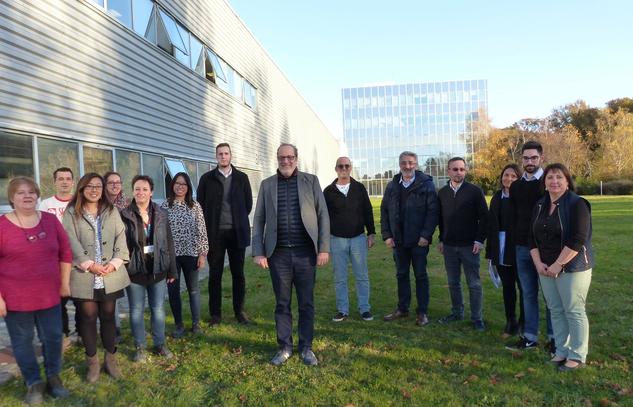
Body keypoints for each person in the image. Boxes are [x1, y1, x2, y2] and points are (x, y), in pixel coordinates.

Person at [252, 143, 330, 366]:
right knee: (282, 303)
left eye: (289, 157)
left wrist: (323, 248)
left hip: (306, 254)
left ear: (296, 158)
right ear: (277, 159)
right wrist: (259, 251)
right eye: (281, 157)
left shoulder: (311, 181)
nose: (285, 161)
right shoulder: (267, 185)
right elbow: (258, 220)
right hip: (279, 256)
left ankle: (306, 348)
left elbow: (323, 215)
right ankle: (285, 346)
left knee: (306, 303)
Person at [0, 177, 71, 405]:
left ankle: (53, 377)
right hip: (15, 301)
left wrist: (65, 283)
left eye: (31, 191)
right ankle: (33, 382)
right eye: (20, 192)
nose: (27, 196)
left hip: (49, 296)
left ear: (37, 195)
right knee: (22, 342)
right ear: (12, 198)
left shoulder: (50, 221)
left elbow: (66, 253)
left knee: (52, 339)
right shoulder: (1, 226)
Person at [62, 173, 130, 382]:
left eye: (98, 186)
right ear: (82, 189)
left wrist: (115, 263)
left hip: (109, 274)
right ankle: (92, 362)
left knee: (109, 317)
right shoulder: (72, 212)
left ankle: (111, 359)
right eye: (90, 186)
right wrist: (89, 264)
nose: (94, 190)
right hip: (84, 275)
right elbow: (69, 240)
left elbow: (121, 237)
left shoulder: (111, 211)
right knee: (88, 317)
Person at [529, 163, 593, 372]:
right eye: (550, 178)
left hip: (573, 267)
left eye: (559, 177)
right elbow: (531, 238)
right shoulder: (539, 205)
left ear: (567, 181)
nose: (554, 181)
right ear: (544, 182)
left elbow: (578, 239)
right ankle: (562, 351)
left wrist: (558, 265)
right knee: (555, 310)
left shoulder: (577, 204)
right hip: (545, 267)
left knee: (573, 310)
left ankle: (577, 354)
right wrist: (539, 264)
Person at [120, 175, 177, 362]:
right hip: (135, 272)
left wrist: (172, 270)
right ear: (133, 191)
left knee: (158, 309)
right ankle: (140, 347)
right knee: (136, 310)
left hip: (158, 271)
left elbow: (169, 243)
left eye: (145, 189)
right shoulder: (124, 215)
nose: (141, 192)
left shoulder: (161, 214)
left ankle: (160, 344)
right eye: (137, 189)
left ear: (151, 192)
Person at [506, 141, 554, 352]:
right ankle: (530, 338)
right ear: (521, 159)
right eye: (526, 158)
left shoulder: (549, 182)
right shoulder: (516, 186)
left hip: (546, 249)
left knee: (551, 296)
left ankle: (555, 338)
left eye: (534, 158)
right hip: (522, 247)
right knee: (528, 294)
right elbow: (515, 216)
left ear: (541, 158)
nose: (530, 162)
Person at [197, 143, 253, 325]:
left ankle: (240, 311)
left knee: (238, 274)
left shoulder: (241, 178)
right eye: (220, 154)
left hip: (237, 233)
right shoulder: (207, 179)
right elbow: (201, 205)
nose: (223, 156)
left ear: (231, 155)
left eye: (226, 153)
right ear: (216, 156)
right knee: (215, 275)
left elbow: (248, 204)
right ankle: (215, 314)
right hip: (215, 235)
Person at [381, 151, 439, 327]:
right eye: (404, 163)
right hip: (398, 240)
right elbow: (384, 211)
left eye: (411, 163)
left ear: (416, 164)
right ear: (400, 164)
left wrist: (426, 235)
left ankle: (422, 312)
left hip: (418, 241)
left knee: (420, 275)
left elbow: (433, 212)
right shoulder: (392, 186)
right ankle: (402, 308)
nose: (408, 166)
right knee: (401, 274)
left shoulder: (426, 185)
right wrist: (387, 235)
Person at [436, 157, 488, 331]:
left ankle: (477, 318)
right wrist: (441, 239)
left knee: (474, 283)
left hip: (469, 246)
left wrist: (479, 240)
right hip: (449, 246)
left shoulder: (475, 191)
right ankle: (457, 312)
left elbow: (485, 218)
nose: (459, 172)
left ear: (465, 171)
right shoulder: (442, 192)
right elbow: (441, 219)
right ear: (448, 171)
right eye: (455, 169)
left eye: (462, 169)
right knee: (453, 282)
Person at [323, 156, 375, 322]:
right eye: (340, 166)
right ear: (336, 168)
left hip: (358, 238)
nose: (344, 168)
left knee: (362, 276)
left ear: (351, 168)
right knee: (340, 277)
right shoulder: (328, 191)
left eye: (347, 166)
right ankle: (342, 310)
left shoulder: (359, 188)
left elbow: (367, 210)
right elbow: (324, 217)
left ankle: (365, 309)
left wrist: (371, 233)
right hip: (337, 240)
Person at [162, 172, 209, 337]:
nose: (180, 187)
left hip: (191, 254)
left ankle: (196, 324)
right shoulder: (164, 207)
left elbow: (202, 231)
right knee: (173, 291)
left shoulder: (195, 206)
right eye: (177, 183)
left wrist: (202, 254)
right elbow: (160, 234)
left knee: (193, 290)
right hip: (171, 257)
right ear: (172, 185)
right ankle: (179, 325)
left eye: (184, 184)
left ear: (188, 187)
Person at [485, 164, 524, 337]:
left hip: (518, 248)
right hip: (500, 249)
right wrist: (490, 253)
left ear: (519, 179)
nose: (508, 179)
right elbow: (490, 226)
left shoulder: (522, 198)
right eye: (506, 175)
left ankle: (525, 323)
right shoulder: (496, 198)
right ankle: (511, 322)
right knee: (507, 288)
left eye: (513, 176)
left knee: (524, 288)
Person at [38, 167, 78, 339]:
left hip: (77, 259)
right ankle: (63, 334)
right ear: (54, 182)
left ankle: (81, 332)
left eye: (68, 179)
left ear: (72, 182)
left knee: (80, 299)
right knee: (59, 300)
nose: (64, 182)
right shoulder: (46, 205)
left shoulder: (79, 202)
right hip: (55, 260)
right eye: (60, 179)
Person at [103, 171, 129, 343]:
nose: (115, 185)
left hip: (126, 253)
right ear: (105, 185)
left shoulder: (127, 204)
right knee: (111, 294)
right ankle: (115, 329)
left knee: (126, 292)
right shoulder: (99, 204)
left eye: (118, 182)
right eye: (111, 182)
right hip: (107, 255)